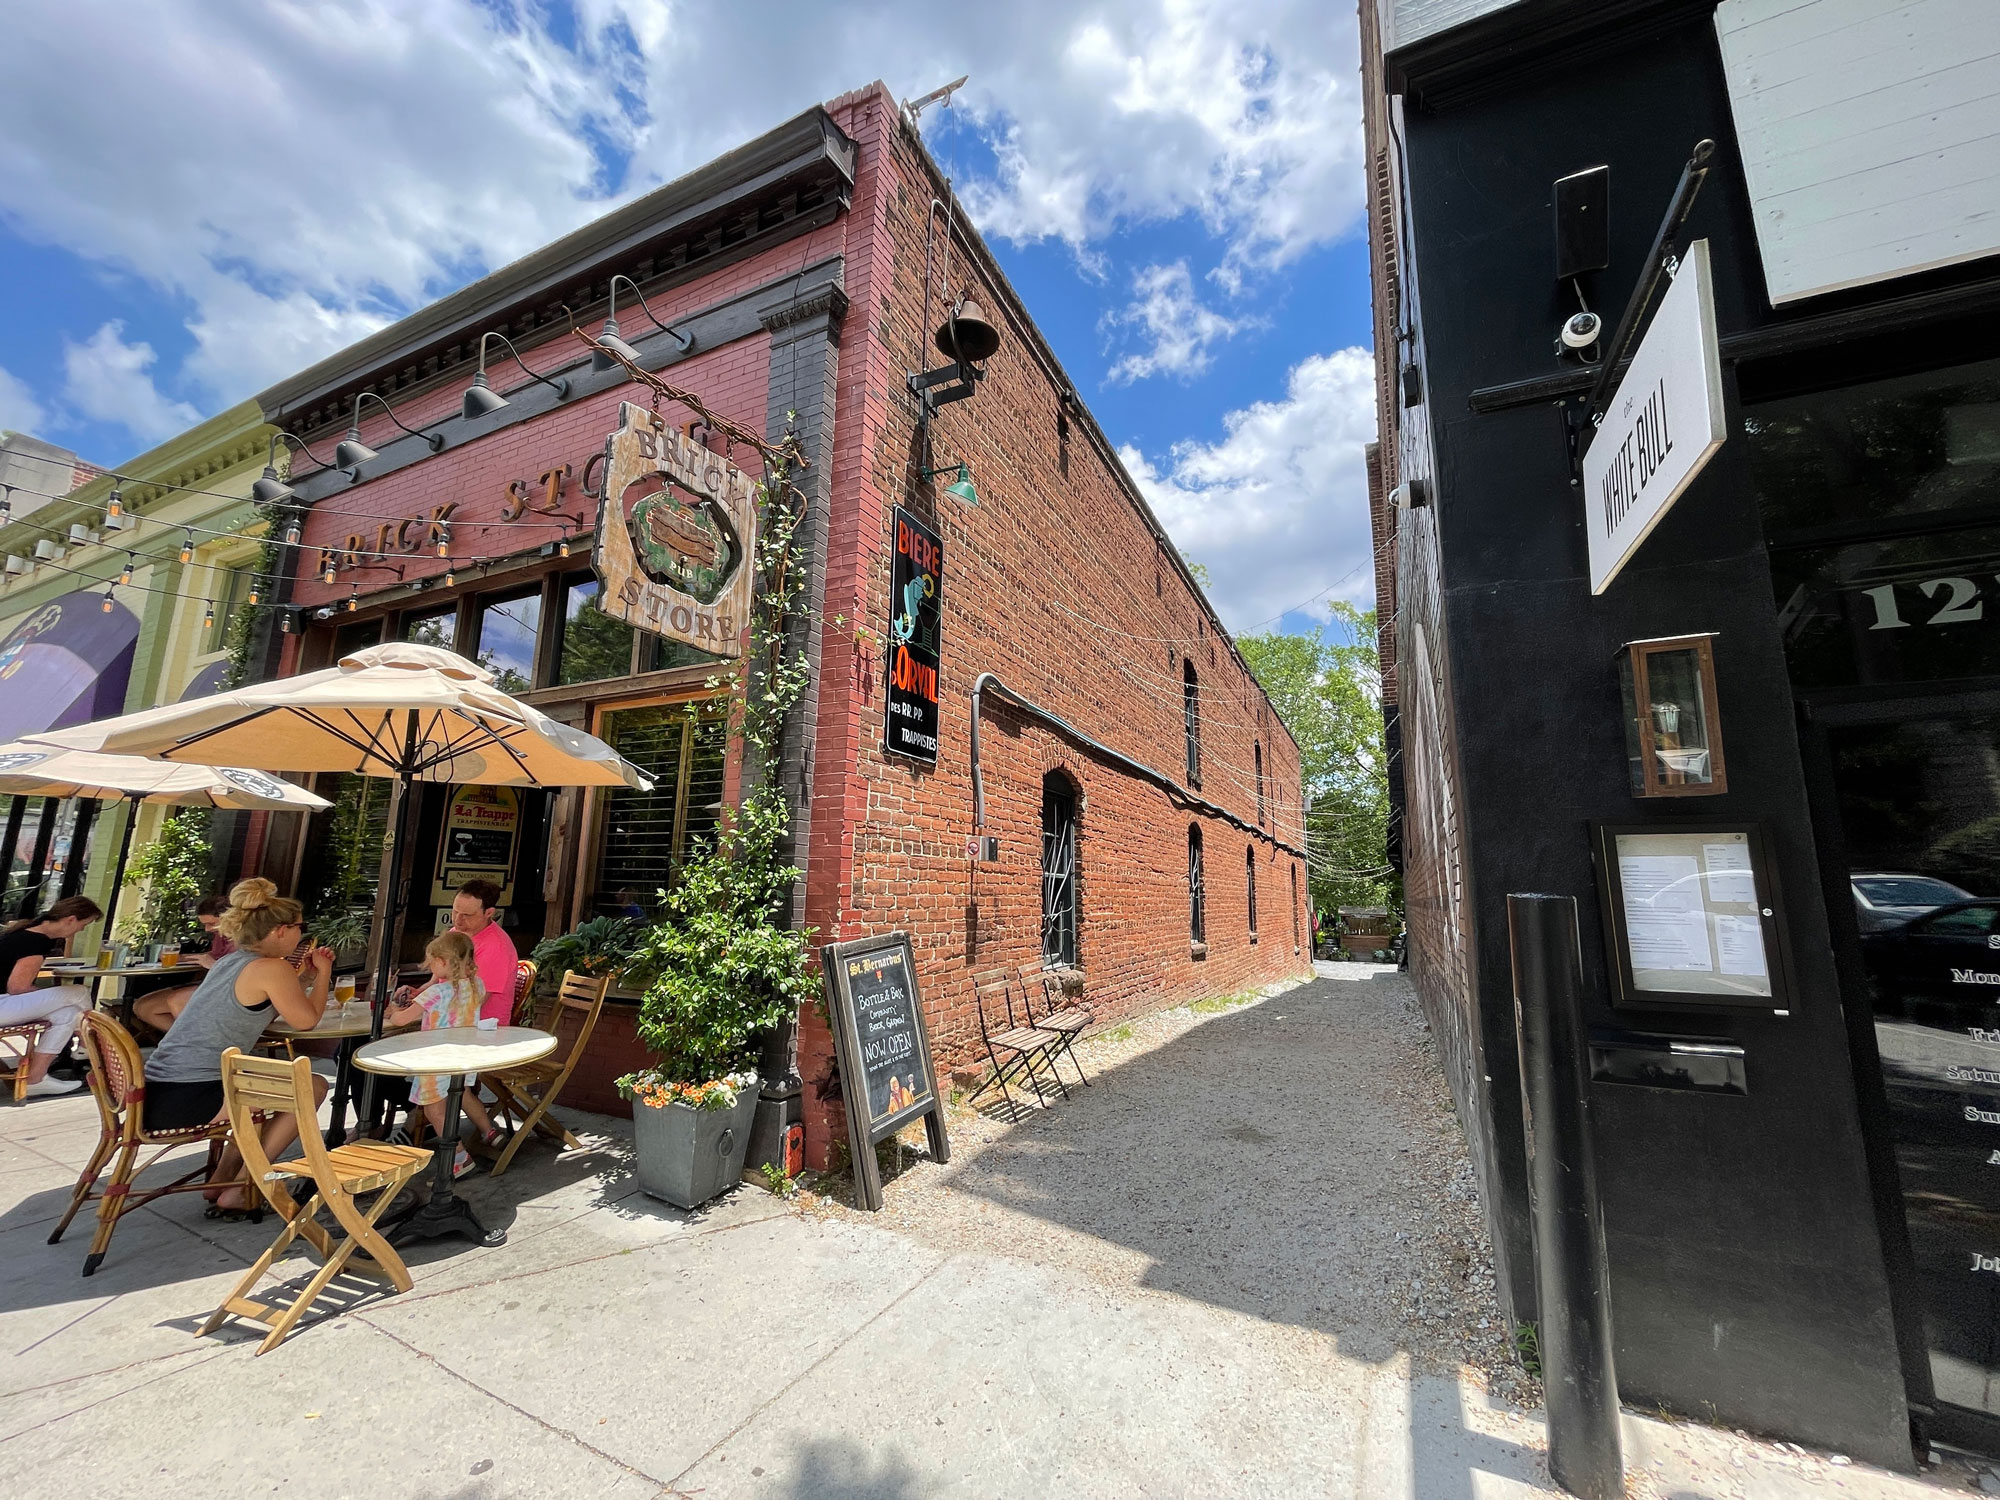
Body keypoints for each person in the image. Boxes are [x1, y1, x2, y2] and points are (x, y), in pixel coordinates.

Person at [143, 878, 333, 1215]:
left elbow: (265, 1007)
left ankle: (223, 1177)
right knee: (311, 1086)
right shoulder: (271, 967)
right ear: (280, 931)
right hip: (194, 1095)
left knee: (253, 1092)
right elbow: (306, 1021)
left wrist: (302, 978)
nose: (301, 935)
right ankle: (245, 1185)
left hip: (160, 1090)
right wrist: (323, 974)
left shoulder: (231, 962)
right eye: (298, 928)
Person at [384, 929, 498, 1178]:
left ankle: (457, 1156)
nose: (430, 967)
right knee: (463, 1094)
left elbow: (401, 1020)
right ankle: (489, 1131)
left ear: (443, 962)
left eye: (432, 961)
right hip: (462, 1056)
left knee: (434, 1109)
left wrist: (393, 1007)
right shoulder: (477, 985)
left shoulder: (435, 993)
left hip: (435, 1059)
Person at [0, 895, 101, 1097]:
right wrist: (46, 997)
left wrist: (48, 1001)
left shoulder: (25, 933)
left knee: (69, 1013)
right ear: (70, 919)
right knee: (78, 992)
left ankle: (35, 1079)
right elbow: (18, 988)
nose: (80, 930)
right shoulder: (35, 941)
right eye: (84, 924)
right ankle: (87, 1044)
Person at [131, 894, 233, 1036]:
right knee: (143, 1007)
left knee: (176, 1000)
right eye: (204, 924)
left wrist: (213, 965)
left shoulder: (246, 938)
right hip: (213, 983)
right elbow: (214, 955)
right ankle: (188, 1040)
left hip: (229, 988)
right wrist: (182, 958)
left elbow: (241, 969)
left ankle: (198, 1044)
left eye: (212, 924)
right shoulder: (220, 936)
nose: (207, 930)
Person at [449, 879, 519, 1025]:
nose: (458, 920)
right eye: (455, 911)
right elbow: (437, 980)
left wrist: (423, 1007)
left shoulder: (497, 947)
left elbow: (475, 1001)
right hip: (451, 1018)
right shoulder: (455, 933)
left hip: (481, 1029)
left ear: (489, 913)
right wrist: (416, 995)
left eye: (467, 915)